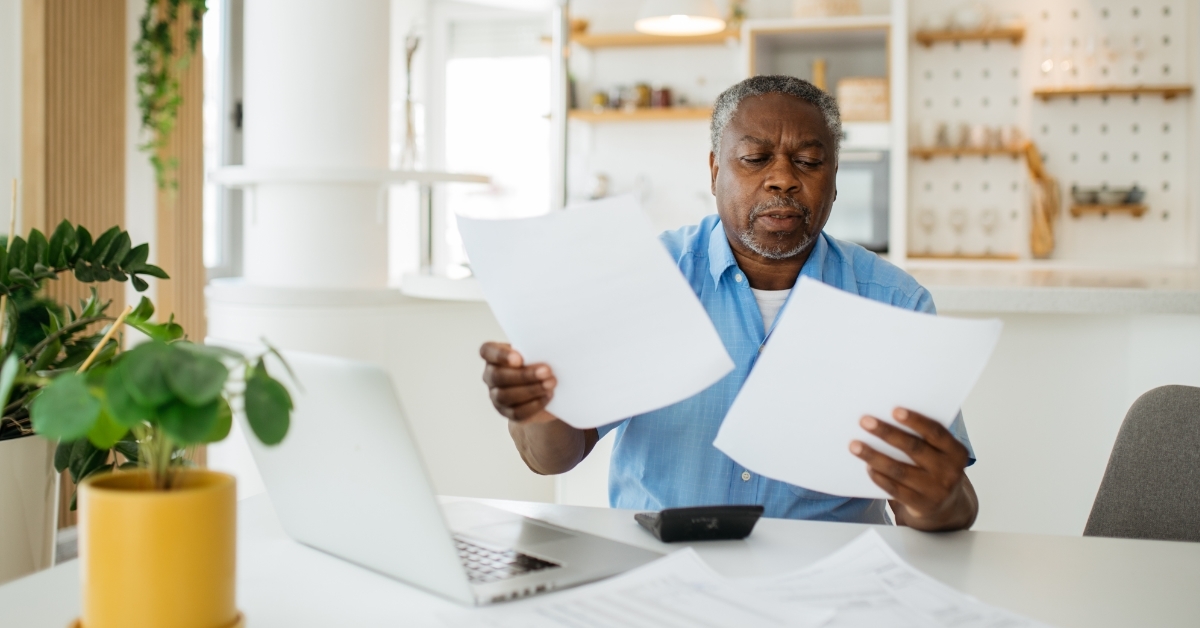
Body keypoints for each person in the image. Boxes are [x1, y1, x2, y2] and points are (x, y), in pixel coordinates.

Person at [479, 75, 978, 531]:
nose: (783, 178)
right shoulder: (647, 278)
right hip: (661, 571)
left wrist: (934, 501)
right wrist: (538, 410)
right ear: (716, 167)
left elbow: (950, 507)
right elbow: (553, 458)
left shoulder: (894, 304)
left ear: (834, 175)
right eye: (756, 158)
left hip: (826, 583)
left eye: (807, 161)